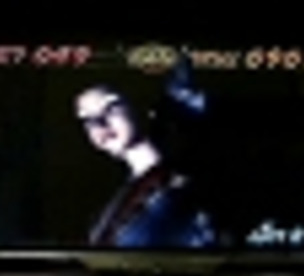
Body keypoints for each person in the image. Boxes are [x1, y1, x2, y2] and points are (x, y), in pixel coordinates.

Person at [74, 85, 215, 248]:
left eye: (111, 108)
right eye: (89, 121)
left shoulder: (188, 181)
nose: (100, 125)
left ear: (141, 106)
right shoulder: (114, 206)